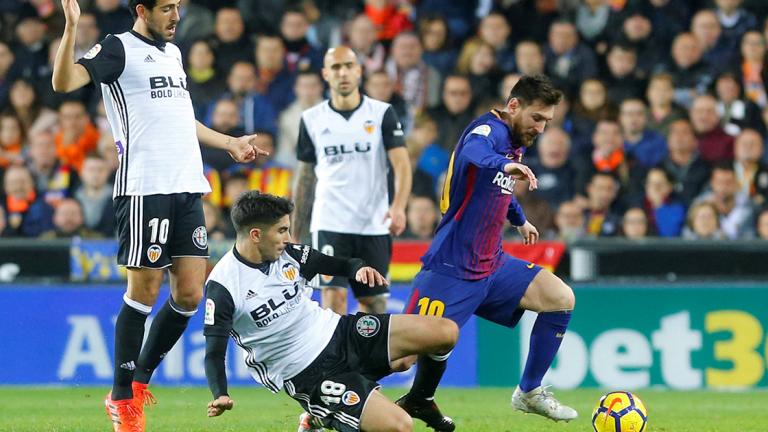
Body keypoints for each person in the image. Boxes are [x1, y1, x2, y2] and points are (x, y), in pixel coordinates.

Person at [51, 1, 268, 431]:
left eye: (179, 7)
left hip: (187, 187)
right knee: (144, 292)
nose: (175, 15)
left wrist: (227, 142)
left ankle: (138, 381)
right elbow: (64, 83)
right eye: (167, 7)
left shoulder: (173, 54)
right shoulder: (118, 48)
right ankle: (121, 397)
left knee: (189, 294)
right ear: (142, 9)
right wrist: (72, 26)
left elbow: (182, 119)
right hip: (144, 188)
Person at [397, 75, 577, 431]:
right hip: (451, 266)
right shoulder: (487, 131)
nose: (541, 128)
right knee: (401, 358)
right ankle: (329, 395)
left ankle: (528, 391)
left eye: (548, 121)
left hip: (491, 263)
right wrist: (505, 164)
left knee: (560, 298)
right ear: (514, 106)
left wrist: (520, 220)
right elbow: (474, 154)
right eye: (537, 118)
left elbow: (499, 190)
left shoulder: (514, 139)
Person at [203, 191, 458, 432]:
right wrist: (221, 394)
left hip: (341, 332)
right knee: (400, 426)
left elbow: (338, 264)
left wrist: (357, 268)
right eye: (281, 231)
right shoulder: (224, 285)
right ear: (256, 235)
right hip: (309, 371)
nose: (288, 238)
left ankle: (420, 400)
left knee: (445, 332)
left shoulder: (288, 254)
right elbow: (214, 353)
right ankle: (323, 412)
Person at [292, 46, 412, 316]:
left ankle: (369, 360)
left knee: (375, 306)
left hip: (374, 224)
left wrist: (399, 207)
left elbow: (402, 164)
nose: (343, 72)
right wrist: (296, 229)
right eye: (335, 67)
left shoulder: (382, 113)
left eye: (348, 66)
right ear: (325, 74)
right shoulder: (311, 120)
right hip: (330, 222)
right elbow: (305, 179)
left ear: (359, 71)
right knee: (333, 303)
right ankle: (338, 360)